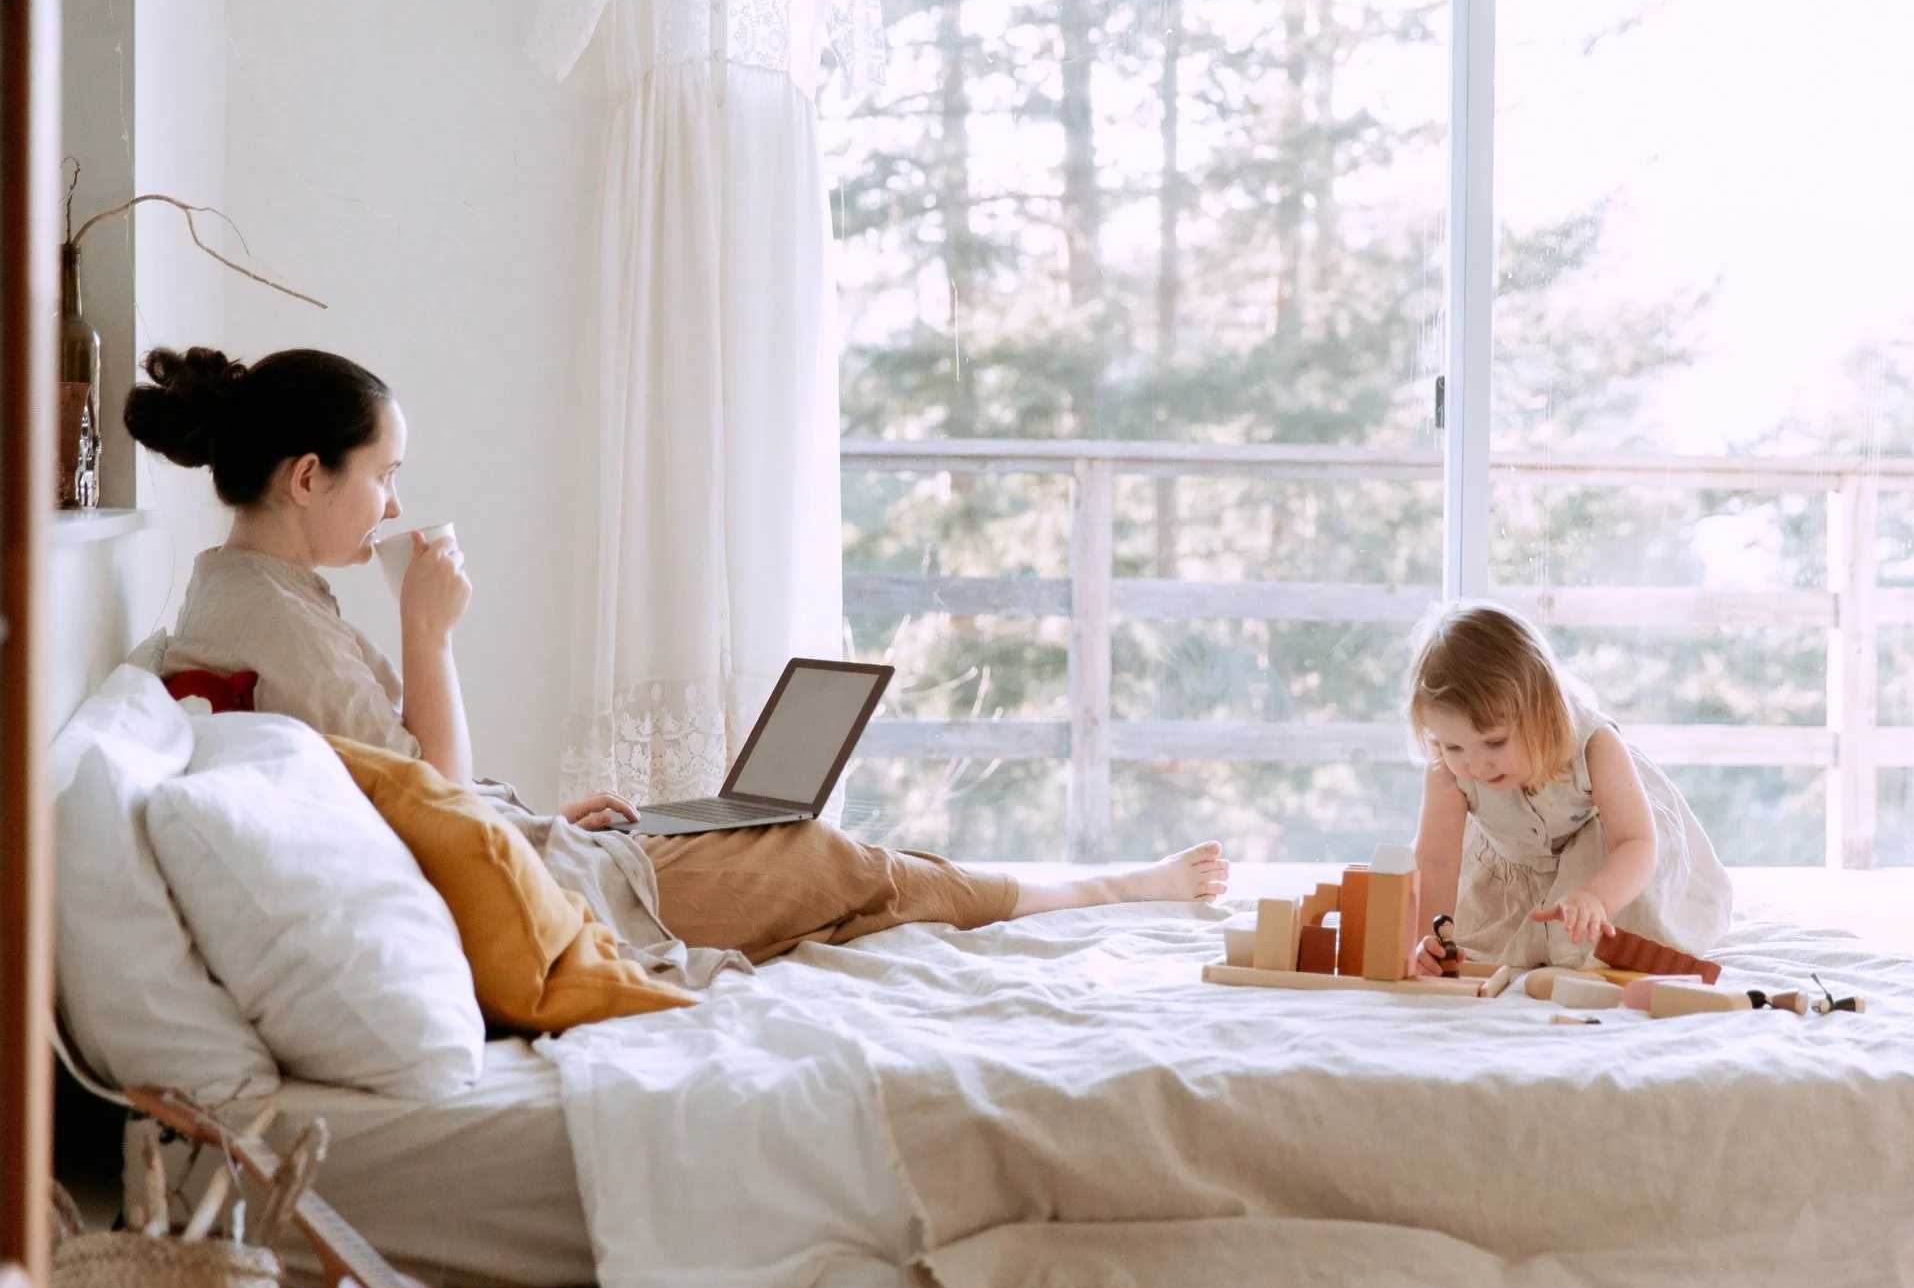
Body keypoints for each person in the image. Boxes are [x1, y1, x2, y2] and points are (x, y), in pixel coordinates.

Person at [122, 345, 1227, 968]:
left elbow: (422, 790)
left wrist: (546, 813)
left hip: (546, 853)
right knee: (826, 858)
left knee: (801, 848)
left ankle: (1077, 885)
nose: (397, 501)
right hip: (547, 893)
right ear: (309, 475)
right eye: (385, 472)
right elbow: (439, 811)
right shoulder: (267, 619)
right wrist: (427, 631)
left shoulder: (257, 599)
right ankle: (1112, 887)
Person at [1404, 599, 1731, 972]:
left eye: (1495, 742)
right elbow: (1436, 860)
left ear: (1543, 711)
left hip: (1611, 853)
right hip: (1515, 855)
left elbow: (1636, 842)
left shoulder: (1595, 745)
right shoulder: (1448, 770)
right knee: (1479, 941)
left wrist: (1597, 896)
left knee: (1620, 944)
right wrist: (1427, 938)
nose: (1476, 765)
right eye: (1453, 746)